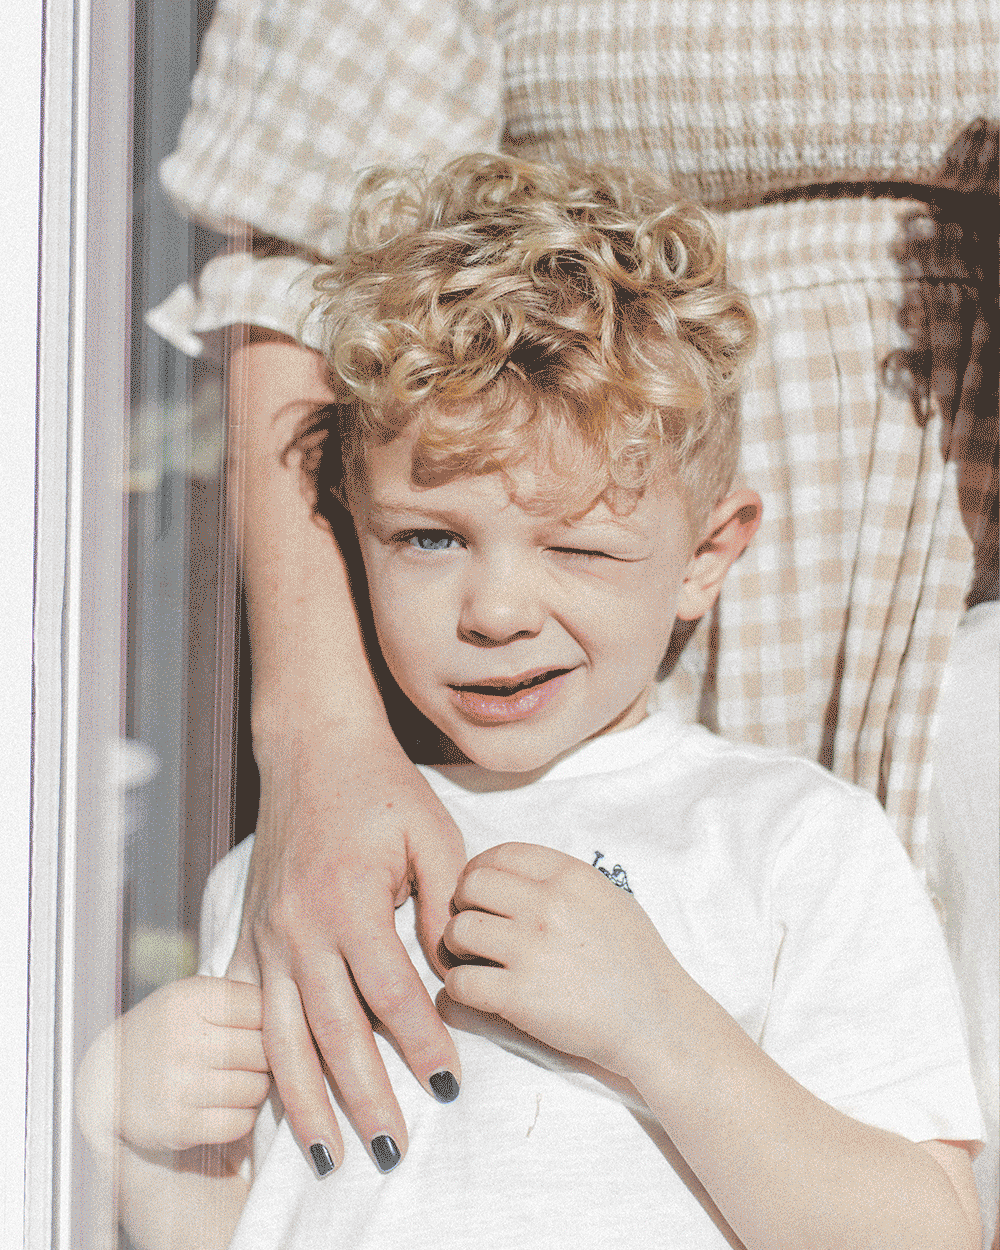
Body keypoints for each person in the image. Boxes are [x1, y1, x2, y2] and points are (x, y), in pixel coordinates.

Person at [147, 0, 999, 1187]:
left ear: (712, 547)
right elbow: (266, 1210)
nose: (496, 610)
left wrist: (660, 1028)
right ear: (354, 521)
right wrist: (127, 1132)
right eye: (432, 538)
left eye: (576, 551)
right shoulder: (294, 862)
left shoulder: (788, 839)